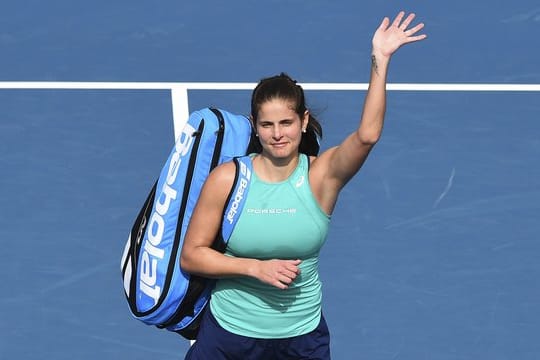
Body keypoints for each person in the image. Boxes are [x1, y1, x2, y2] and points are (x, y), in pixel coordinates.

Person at [180, 11, 427, 359]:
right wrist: (253, 267)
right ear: (254, 125)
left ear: (304, 120)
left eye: (286, 122)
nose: (277, 134)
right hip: (229, 337)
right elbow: (192, 256)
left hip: (300, 339)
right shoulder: (228, 178)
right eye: (267, 124)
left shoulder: (321, 177)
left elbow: (368, 136)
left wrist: (380, 59)